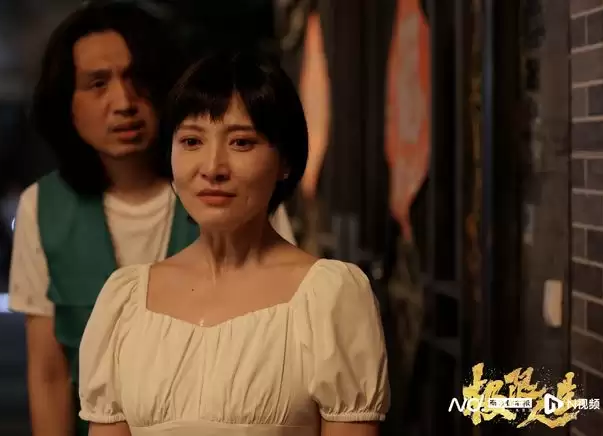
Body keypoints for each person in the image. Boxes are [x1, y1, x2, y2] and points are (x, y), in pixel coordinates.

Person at [8, 3, 296, 436]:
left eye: (138, 78)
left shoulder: (230, 190)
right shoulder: (43, 207)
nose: (124, 103)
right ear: (67, 103)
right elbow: (49, 371)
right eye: (98, 84)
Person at [78, 51, 389, 436]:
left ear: (285, 161)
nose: (212, 168)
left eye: (241, 142)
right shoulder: (125, 302)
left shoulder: (329, 297)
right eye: (191, 141)